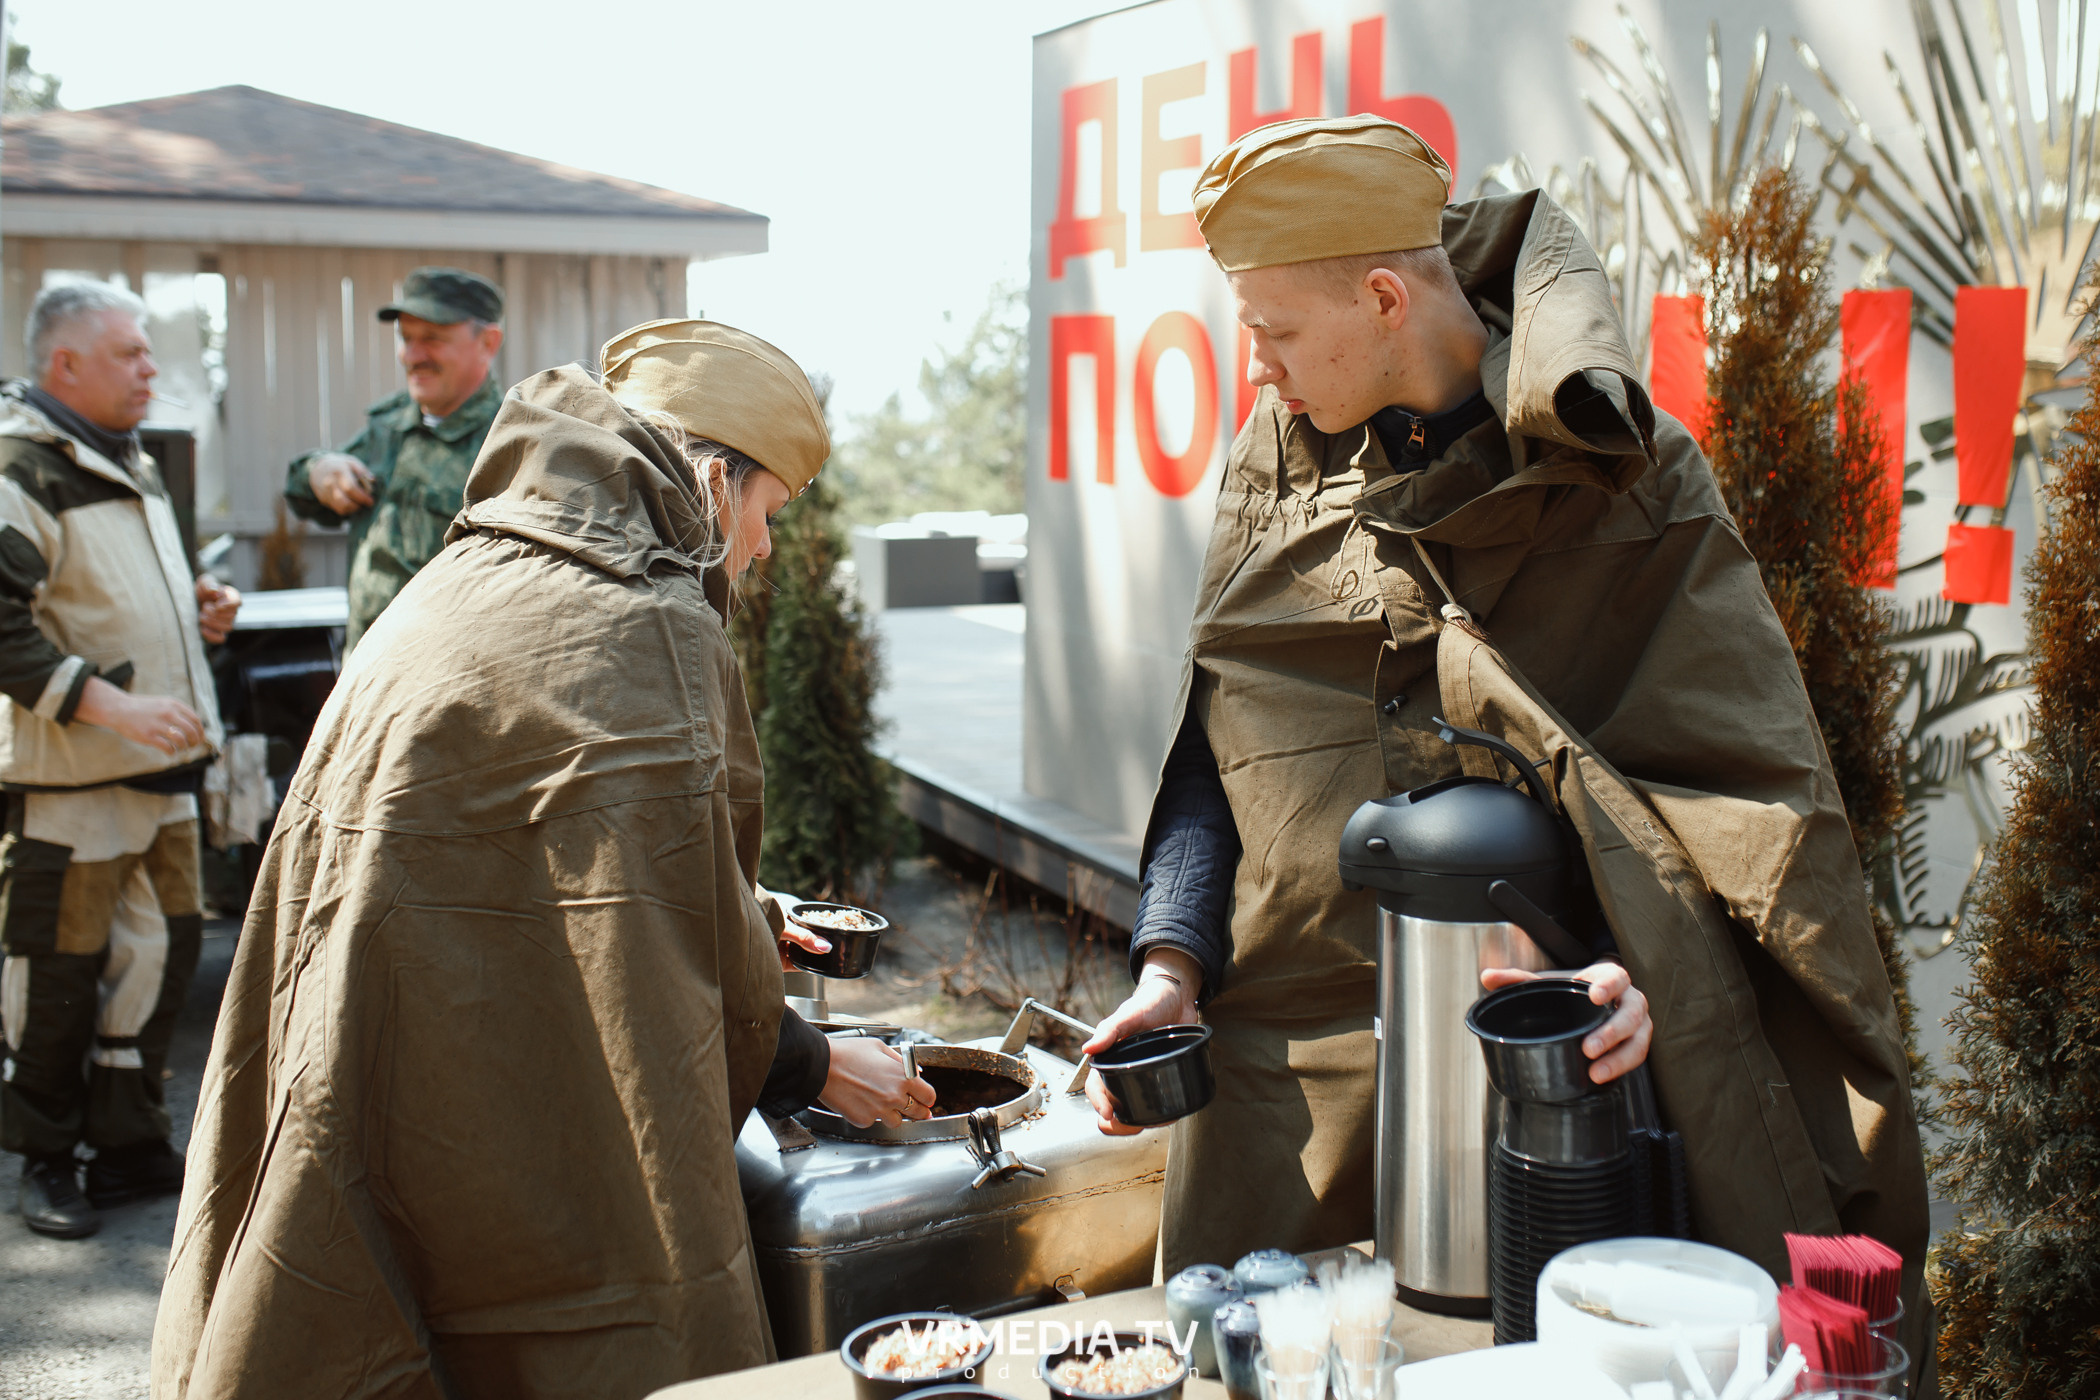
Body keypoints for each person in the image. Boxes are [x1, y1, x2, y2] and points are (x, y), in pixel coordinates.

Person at [1081, 116, 1931, 1372]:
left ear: (1382, 297)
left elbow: (1743, 819)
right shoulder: (1284, 458)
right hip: (1286, 1087)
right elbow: (1228, 742)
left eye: (1269, 329)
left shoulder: (1624, 484)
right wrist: (1171, 962)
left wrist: (1625, 967)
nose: (1253, 366)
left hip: (1539, 1092)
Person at [153, 319, 932, 1398]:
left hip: (354, 1034)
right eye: (766, 515)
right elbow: (646, 919)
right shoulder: (650, 616)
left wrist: (743, 908)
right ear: (713, 480)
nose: (758, 552)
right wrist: (809, 1060)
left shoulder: (471, 565)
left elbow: (567, 845)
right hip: (484, 1092)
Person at [0, 281, 240, 1239]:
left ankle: (129, 1147)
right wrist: (116, 708)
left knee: (157, 956)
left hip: (161, 778)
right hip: (71, 786)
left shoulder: (127, 463)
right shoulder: (21, 467)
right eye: (131, 354)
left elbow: (108, 598)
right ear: (64, 364)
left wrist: (200, 615)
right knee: (57, 974)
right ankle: (47, 1163)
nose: (152, 370)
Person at [282, 266, 506, 653]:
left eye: (432, 339)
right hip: (365, 669)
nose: (413, 356)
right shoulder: (388, 429)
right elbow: (300, 495)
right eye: (406, 339)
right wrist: (319, 470)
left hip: (451, 679)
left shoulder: (510, 441)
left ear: (487, 342)